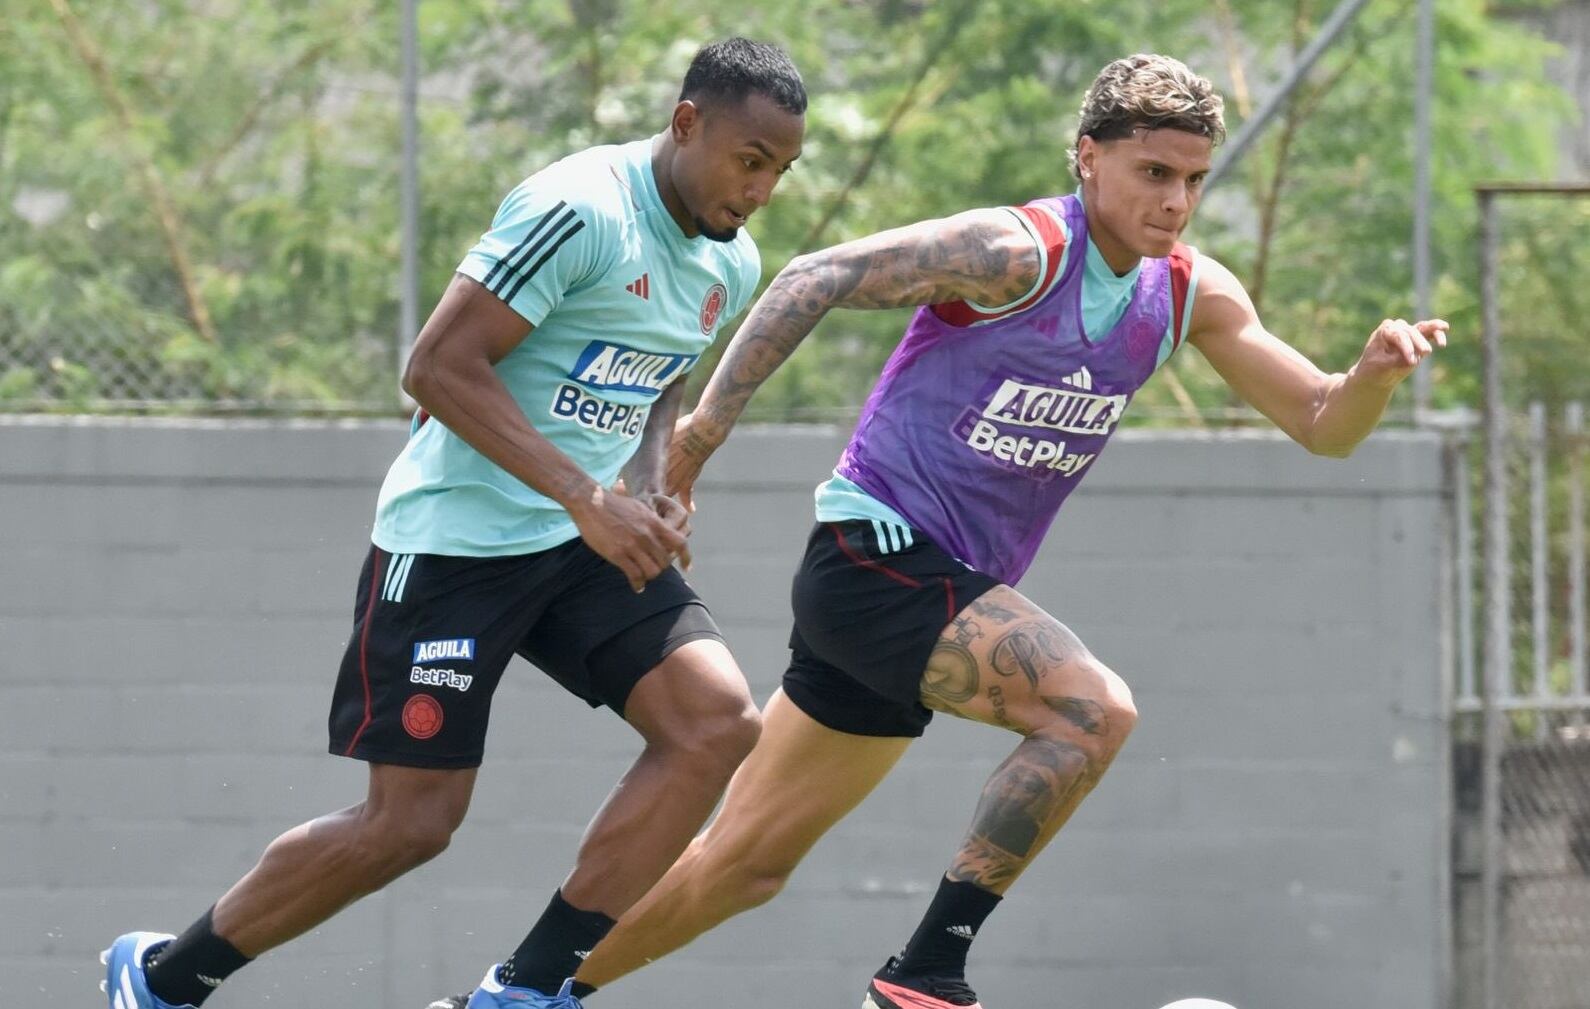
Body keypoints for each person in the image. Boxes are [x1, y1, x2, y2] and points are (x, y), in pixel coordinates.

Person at [428, 53, 1446, 1009]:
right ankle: (927, 973)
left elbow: (1321, 426)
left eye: (1193, 178)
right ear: (1088, 157)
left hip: (934, 596)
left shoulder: (1186, 292)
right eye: (1151, 172)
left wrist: (1371, 377)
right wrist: (695, 439)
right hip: (877, 562)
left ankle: (518, 993)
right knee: (1093, 712)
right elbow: (809, 276)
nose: (1174, 202)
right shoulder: (1016, 254)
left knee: (742, 866)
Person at [100, 37, 806, 1009]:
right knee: (411, 825)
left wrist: (650, 481)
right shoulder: (580, 209)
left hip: (577, 541)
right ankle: (162, 979)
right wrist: (586, 496)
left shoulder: (729, 260)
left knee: (716, 724)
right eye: (750, 159)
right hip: (454, 549)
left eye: (781, 170)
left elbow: (659, 367)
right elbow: (433, 367)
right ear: (687, 123)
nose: (762, 186)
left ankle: (522, 990)